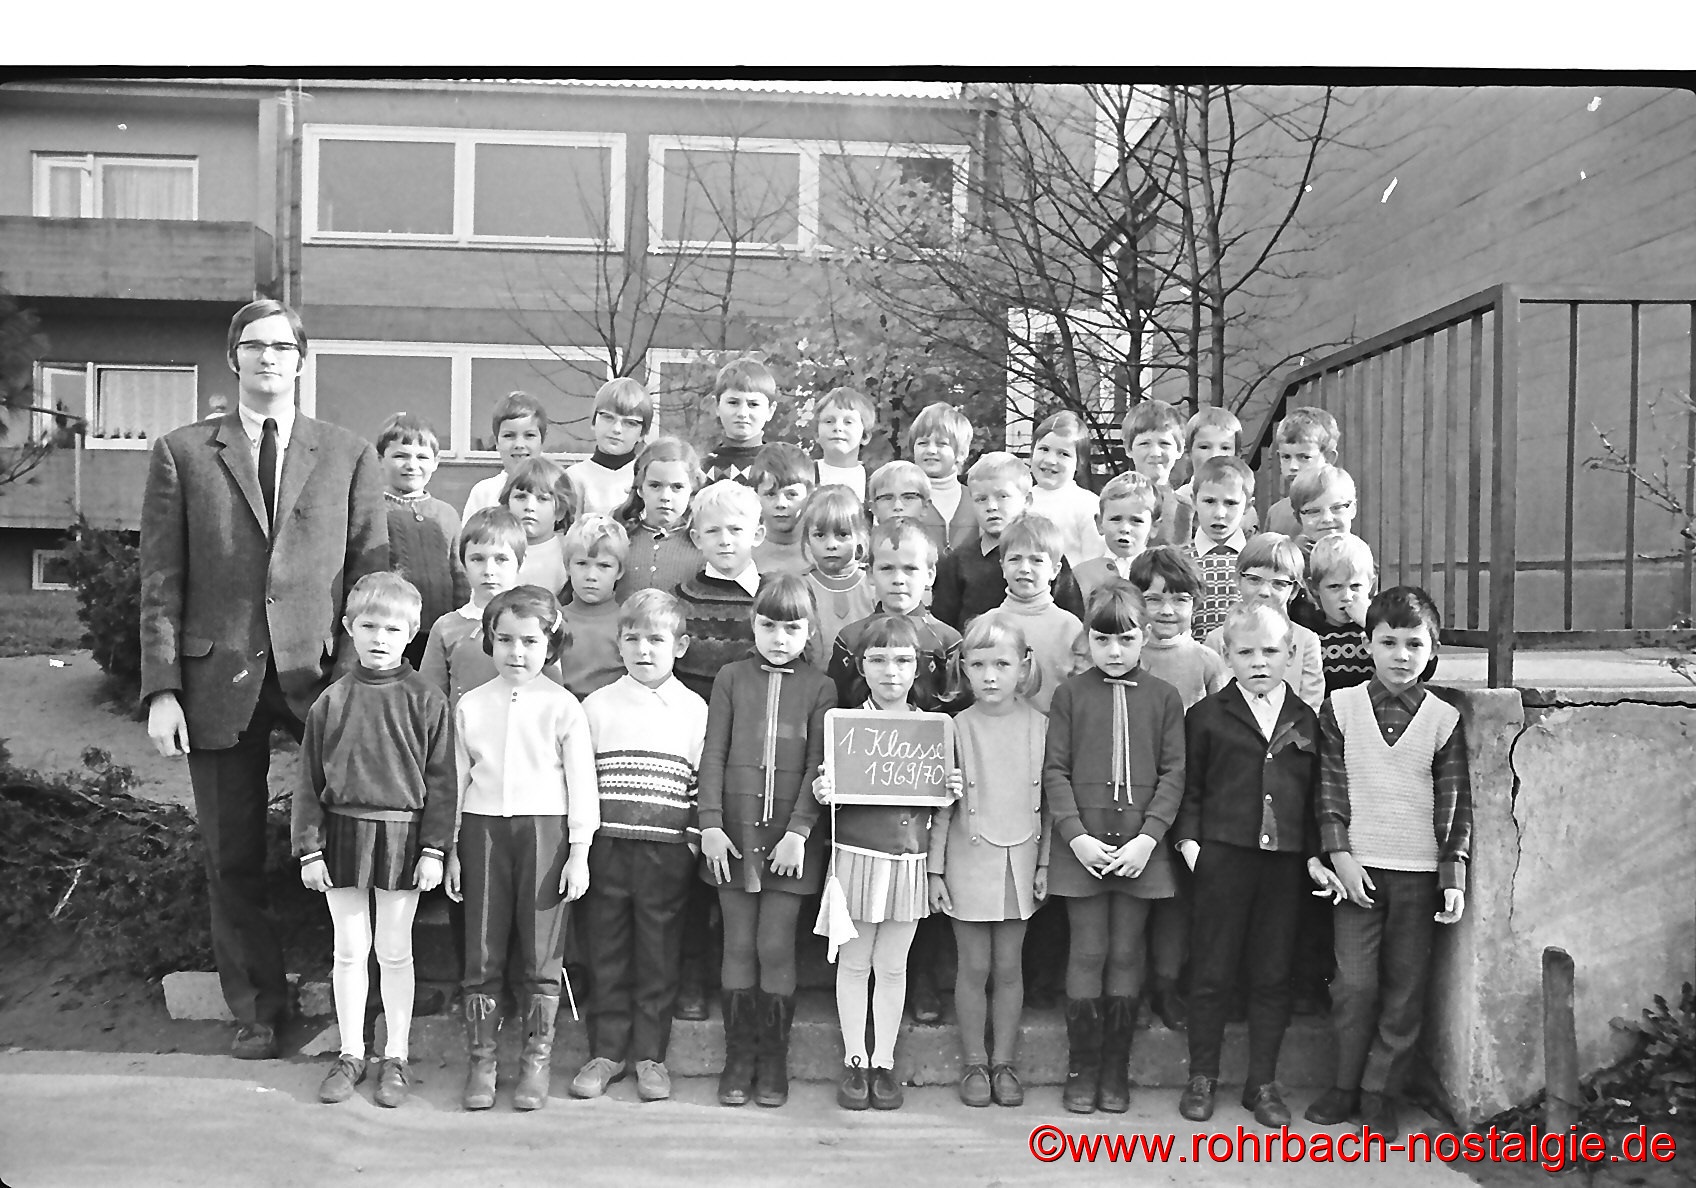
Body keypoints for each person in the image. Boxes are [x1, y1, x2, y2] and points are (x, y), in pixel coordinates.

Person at [140, 298, 388, 1059]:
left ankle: (366, 1004)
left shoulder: (348, 453)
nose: (269, 357)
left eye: (283, 346)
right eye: (256, 345)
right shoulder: (183, 453)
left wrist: (356, 679)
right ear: (234, 358)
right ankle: (257, 1008)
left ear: (301, 361)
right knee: (232, 855)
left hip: (322, 676)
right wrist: (163, 690)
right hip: (219, 681)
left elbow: (371, 573)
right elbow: (160, 579)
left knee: (358, 841)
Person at [1307, 587, 1472, 1142]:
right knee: (1353, 986)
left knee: (1404, 990)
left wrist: (1452, 874)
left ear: (1432, 649)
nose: (1401, 655)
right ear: (1369, 646)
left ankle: (1380, 1094)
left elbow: (1454, 802)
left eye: (1414, 644)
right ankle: (1344, 1086)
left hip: (1418, 877)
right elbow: (1329, 789)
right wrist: (1340, 855)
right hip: (1357, 873)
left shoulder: (1444, 719)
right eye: (1389, 642)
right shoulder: (1341, 708)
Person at [292, 572, 455, 1107]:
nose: (380, 638)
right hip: (343, 834)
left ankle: (396, 1056)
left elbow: (442, 782)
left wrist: (435, 849)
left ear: (412, 633)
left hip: (403, 839)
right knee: (348, 949)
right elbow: (309, 780)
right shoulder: (332, 700)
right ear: (348, 628)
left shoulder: (426, 699)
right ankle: (350, 1052)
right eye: (369, 626)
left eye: (392, 629)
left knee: (394, 950)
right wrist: (309, 849)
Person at [1174, 602, 1335, 1129]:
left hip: (1283, 866)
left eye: (1270, 651)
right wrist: (1192, 845)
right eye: (1246, 652)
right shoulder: (1206, 716)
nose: (1259, 662)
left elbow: (1314, 796)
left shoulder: (1305, 718)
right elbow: (1191, 788)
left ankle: (1261, 1082)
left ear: (1290, 654)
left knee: (1272, 971)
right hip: (1222, 858)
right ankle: (1202, 1076)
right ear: (1227, 655)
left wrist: (1313, 854)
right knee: (1212, 968)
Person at [447, 585, 598, 1112]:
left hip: (545, 833)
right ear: (489, 640)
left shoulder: (563, 706)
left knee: (541, 950)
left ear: (550, 645)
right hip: (482, 831)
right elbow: (457, 780)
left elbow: (582, 784)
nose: (517, 652)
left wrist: (578, 851)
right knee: (482, 948)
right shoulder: (471, 705)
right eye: (506, 639)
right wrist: (450, 848)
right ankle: (482, 1060)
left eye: (530, 641)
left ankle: (536, 1061)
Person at [1043, 584, 1185, 1115]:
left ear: (1144, 636)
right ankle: (1082, 1067)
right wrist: (1075, 836)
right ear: (1088, 639)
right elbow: (1054, 771)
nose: (1115, 650)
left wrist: (1149, 838)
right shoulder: (1069, 696)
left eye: (1126, 639)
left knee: (1127, 951)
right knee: (1087, 950)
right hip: (1082, 845)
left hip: (1140, 849)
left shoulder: (1164, 697)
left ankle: (1114, 1070)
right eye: (1102, 640)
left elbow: (1174, 773)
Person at [698, 575, 837, 1108]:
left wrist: (799, 832)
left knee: (774, 946)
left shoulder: (821, 687)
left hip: (789, 841)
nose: (780, 638)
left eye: (792, 628)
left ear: (809, 631)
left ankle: (773, 1059)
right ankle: (739, 1058)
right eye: (769, 625)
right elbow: (713, 753)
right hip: (733, 833)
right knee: (737, 943)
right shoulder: (731, 678)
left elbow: (818, 764)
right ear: (752, 625)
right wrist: (711, 824)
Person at [814, 614, 962, 1112]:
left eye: (902, 660)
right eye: (878, 660)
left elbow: (940, 808)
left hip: (908, 861)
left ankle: (884, 1061)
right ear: (861, 666)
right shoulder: (845, 725)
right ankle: (855, 1059)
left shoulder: (935, 729)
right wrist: (824, 790)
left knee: (893, 967)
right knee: (855, 964)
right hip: (855, 857)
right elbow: (831, 790)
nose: (890, 671)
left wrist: (948, 791)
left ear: (918, 666)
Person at [571, 590, 710, 1104]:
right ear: (619, 644)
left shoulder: (693, 709)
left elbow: (702, 781)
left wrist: (690, 843)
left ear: (681, 646)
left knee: (658, 953)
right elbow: (580, 780)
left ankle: (651, 1055)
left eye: (656, 639)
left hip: (666, 852)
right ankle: (606, 1052)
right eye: (632, 639)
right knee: (606, 950)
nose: (644, 650)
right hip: (607, 846)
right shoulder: (596, 705)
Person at [929, 615, 1047, 1108]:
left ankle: (1004, 1062)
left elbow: (1052, 803)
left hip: (1020, 860)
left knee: (1009, 966)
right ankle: (974, 1061)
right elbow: (941, 805)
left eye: (1001, 664)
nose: (990, 676)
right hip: (968, 860)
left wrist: (1045, 864)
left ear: (1023, 666)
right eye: (978, 665)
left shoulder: (1041, 726)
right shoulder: (955, 727)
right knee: (973, 966)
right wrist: (935, 869)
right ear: (964, 670)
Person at [1125, 544, 1230, 1032]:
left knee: (1176, 899)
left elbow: (1222, 730)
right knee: (1133, 896)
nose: (1167, 610)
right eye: (1153, 598)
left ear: (1196, 603)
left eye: (1180, 599)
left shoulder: (1207, 662)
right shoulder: (1124, 654)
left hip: (1186, 797)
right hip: (1131, 796)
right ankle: (1130, 988)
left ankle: (1166, 986)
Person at [932, 452, 1085, 631]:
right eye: (981, 499)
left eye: (1002, 496)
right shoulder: (959, 562)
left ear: (1027, 500)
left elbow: (1073, 618)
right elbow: (945, 629)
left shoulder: (1045, 555)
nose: (991, 506)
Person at [828, 520, 964, 715]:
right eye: (887, 568)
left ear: (930, 575)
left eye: (910, 569)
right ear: (870, 574)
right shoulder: (850, 639)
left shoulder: (947, 642)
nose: (898, 579)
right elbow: (839, 711)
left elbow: (957, 713)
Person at [376, 413, 467, 669]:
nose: (411, 465)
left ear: (436, 462)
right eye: (400, 455)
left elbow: (460, 574)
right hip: (391, 630)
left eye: (422, 457)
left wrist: (463, 621)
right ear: (380, 459)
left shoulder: (446, 514)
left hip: (441, 630)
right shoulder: (372, 511)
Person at [1202, 533, 1326, 712]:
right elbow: (1213, 703)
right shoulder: (1216, 640)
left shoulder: (1306, 640)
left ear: (1293, 590)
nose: (1265, 592)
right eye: (1254, 580)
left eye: (1278, 583)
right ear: (1238, 580)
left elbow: (1311, 706)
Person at [672, 479, 765, 701]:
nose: (724, 540)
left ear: (757, 535)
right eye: (712, 531)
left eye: (736, 529)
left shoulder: (772, 597)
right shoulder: (680, 600)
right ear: (697, 538)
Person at [987, 513, 1083, 714]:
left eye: (1036, 560)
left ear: (1055, 570)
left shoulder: (1071, 627)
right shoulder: (987, 625)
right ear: (1003, 567)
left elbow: (1082, 694)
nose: (1024, 568)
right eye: (1015, 559)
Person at [614, 436, 704, 601]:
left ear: (692, 489)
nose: (665, 497)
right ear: (640, 488)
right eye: (655, 485)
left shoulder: (703, 544)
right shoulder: (620, 538)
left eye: (677, 487)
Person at [799, 485, 874, 670]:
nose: (831, 544)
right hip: (814, 682)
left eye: (842, 534)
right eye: (820, 535)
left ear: (860, 536)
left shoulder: (873, 584)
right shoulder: (800, 587)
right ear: (807, 539)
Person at [1181, 456, 1255, 642]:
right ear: (1193, 501)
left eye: (1231, 503)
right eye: (1209, 501)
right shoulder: (1178, 560)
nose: (1219, 513)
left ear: (1248, 506)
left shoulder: (1258, 559)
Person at [558, 514, 629, 700]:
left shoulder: (628, 624)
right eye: (582, 563)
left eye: (604, 566)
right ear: (567, 566)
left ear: (619, 571)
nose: (591, 576)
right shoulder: (555, 621)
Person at [1027, 410, 1105, 568]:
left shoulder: (1087, 504)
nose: (1050, 460)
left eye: (1063, 454)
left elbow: (1094, 561)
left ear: (1079, 463)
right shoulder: (1020, 500)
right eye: (1044, 449)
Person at [1170, 406, 1259, 543]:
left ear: (1237, 455)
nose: (1215, 455)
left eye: (1225, 448)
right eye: (1204, 447)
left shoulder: (1244, 509)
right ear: (1188, 452)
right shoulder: (1177, 502)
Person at [566, 377, 654, 516]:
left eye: (630, 423)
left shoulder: (649, 477)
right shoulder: (574, 477)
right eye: (608, 417)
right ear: (594, 421)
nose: (617, 429)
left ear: (642, 433)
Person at [1071, 472, 1161, 605]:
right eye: (1116, 519)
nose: (1125, 528)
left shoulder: (1160, 574)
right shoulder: (1083, 575)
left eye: (1136, 520)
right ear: (1099, 523)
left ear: (1154, 527)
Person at [463, 391, 550, 518]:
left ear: (542, 439)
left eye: (529, 435)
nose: (519, 444)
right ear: (496, 442)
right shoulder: (484, 493)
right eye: (509, 435)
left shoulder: (556, 488)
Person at [908, 401, 976, 549]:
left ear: (961, 453)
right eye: (923, 443)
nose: (931, 450)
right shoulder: (902, 500)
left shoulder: (977, 500)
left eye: (941, 444)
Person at [504, 457, 575, 597]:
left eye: (542, 498)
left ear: (560, 511)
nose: (529, 507)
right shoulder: (496, 550)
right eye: (521, 497)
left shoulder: (569, 553)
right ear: (507, 505)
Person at [1266, 406, 1340, 538]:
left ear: (1329, 458)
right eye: (1286, 457)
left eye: (1304, 457)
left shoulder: (1340, 508)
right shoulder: (1276, 513)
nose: (1293, 467)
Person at [701, 357, 777, 485]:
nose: (742, 413)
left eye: (753, 404)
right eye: (733, 402)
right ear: (716, 406)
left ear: (770, 410)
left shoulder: (779, 467)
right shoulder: (701, 469)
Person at [1122, 400, 1185, 545]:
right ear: (1128, 449)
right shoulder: (1114, 503)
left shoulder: (1186, 510)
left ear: (1179, 449)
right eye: (1144, 444)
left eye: (1164, 443)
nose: (1155, 453)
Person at [750, 442, 814, 577]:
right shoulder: (743, 557)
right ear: (756, 495)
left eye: (791, 494)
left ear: (809, 495)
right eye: (770, 494)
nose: (781, 504)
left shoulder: (823, 554)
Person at [868, 458, 949, 561]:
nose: (897, 506)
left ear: (925, 506)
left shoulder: (938, 560)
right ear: (874, 508)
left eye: (908, 497)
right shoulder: (864, 556)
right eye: (887, 498)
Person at [813, 386, 875, 500]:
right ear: (817, 434)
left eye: (848, 422)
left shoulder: (875, 482)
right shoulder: (805, 477)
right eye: (829, 421)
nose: (838, 427)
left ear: (865, 436)